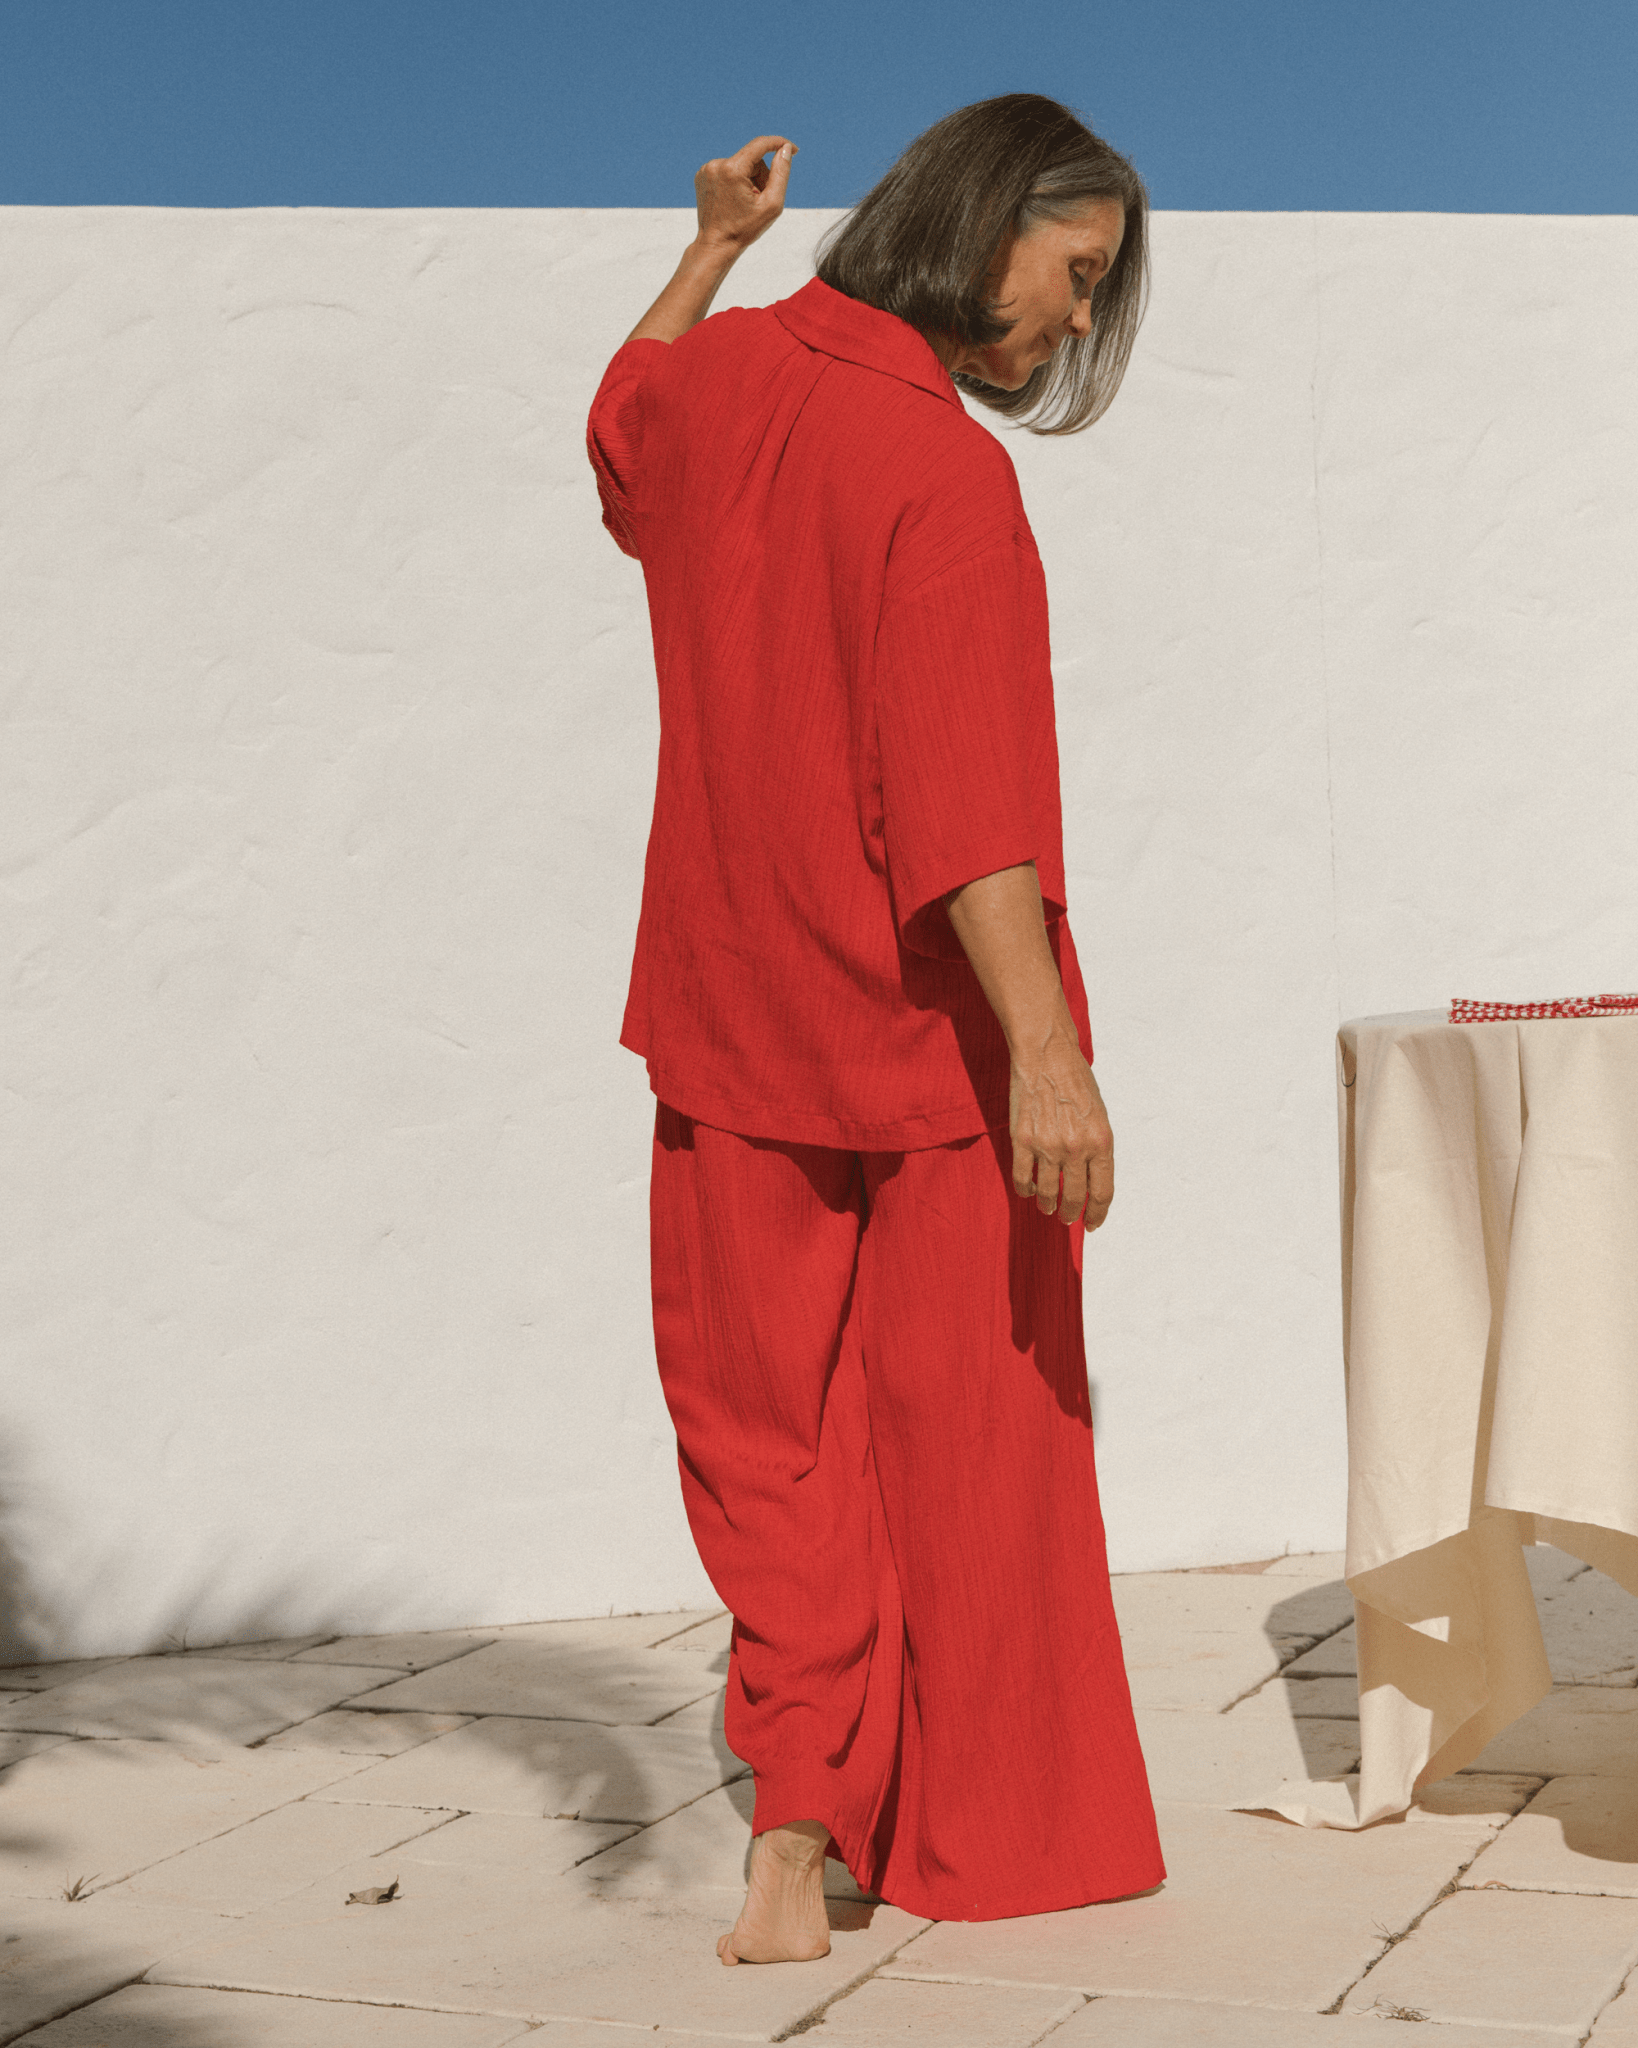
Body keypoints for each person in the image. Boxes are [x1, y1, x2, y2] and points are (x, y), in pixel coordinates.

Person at [587, 94, 1164, 1964]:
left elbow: (617, 435)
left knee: (765, 1436)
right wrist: (1048, 1060)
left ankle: (797, 1818)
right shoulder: (940, 473)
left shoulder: (719, 388)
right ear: (987, 225)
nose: (1079, 316)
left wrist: (710, 249)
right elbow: (964, 807)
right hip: (933, 1055)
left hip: (727, 1014)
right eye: (1078, 270)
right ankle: (977, 1826)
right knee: (973, 1444)